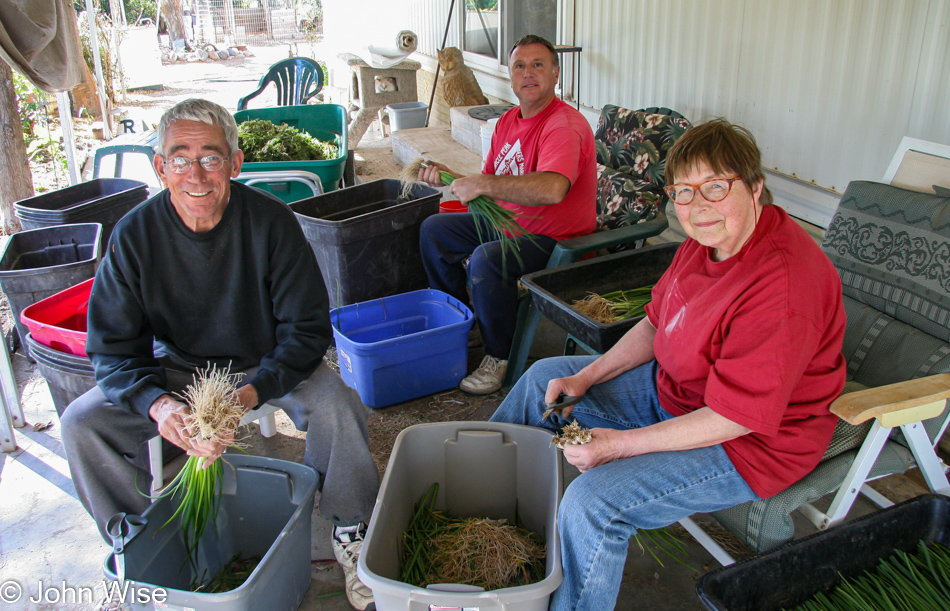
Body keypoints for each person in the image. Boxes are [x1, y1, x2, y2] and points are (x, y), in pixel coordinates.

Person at [490, 118, 847, 609]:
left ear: (756, 187)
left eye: (715, 188)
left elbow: (734, 417)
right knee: (543, 381)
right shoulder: (706, 242)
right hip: (676, 393)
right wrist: (586, 374)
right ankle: (481, 507)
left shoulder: (784, 285)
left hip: (749, 443)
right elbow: (657, 325)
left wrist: (620, 446)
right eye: (683, 191)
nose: (697, 207)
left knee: (594, 504)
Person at [60, 99, 380, 610]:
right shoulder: (134, 236)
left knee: (338, 405)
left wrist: (255, 390)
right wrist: (160, 405)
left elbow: (307, 329)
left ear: (235, 163)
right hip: (179, 368)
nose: (196, 173)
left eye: (211, 157)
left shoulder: (272, 223)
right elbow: (112, 351)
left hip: (264, 361)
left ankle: (353, 532)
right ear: (160, 167)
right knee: (81, 423)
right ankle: (138, 537)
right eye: (179, 158)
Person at [418, 34, 596, 395]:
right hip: (509, 224)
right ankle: (463, 327)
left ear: (556, 74)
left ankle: (499, 356)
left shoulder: (563, 125)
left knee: (488, 259)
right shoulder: (507, 122)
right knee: (435, 230)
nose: (528, 73)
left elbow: (552, 189)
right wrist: (450, 174)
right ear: (510, 77)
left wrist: (483, 184)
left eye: (538, 65)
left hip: (557, 241)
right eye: (519, 66)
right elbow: (492, 183)